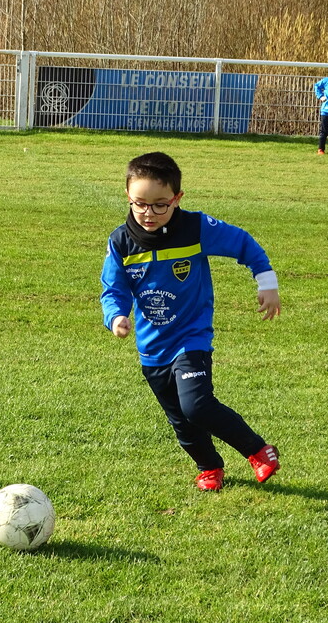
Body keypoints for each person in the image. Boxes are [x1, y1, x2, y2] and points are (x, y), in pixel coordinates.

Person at [100, 152, 282, 492]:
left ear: (177, 198)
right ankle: (209, 466)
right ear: (128, 197)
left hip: (191, 337)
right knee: (180, 419)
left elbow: (242, 242)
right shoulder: (120, 242)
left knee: (196, 405)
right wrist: (116, 317)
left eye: (160, 205)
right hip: (152, 347)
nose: (149, 213)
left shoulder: (195, 228)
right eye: (140, 204)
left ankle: (258, 450)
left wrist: (267, 282)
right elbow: (114, 288)